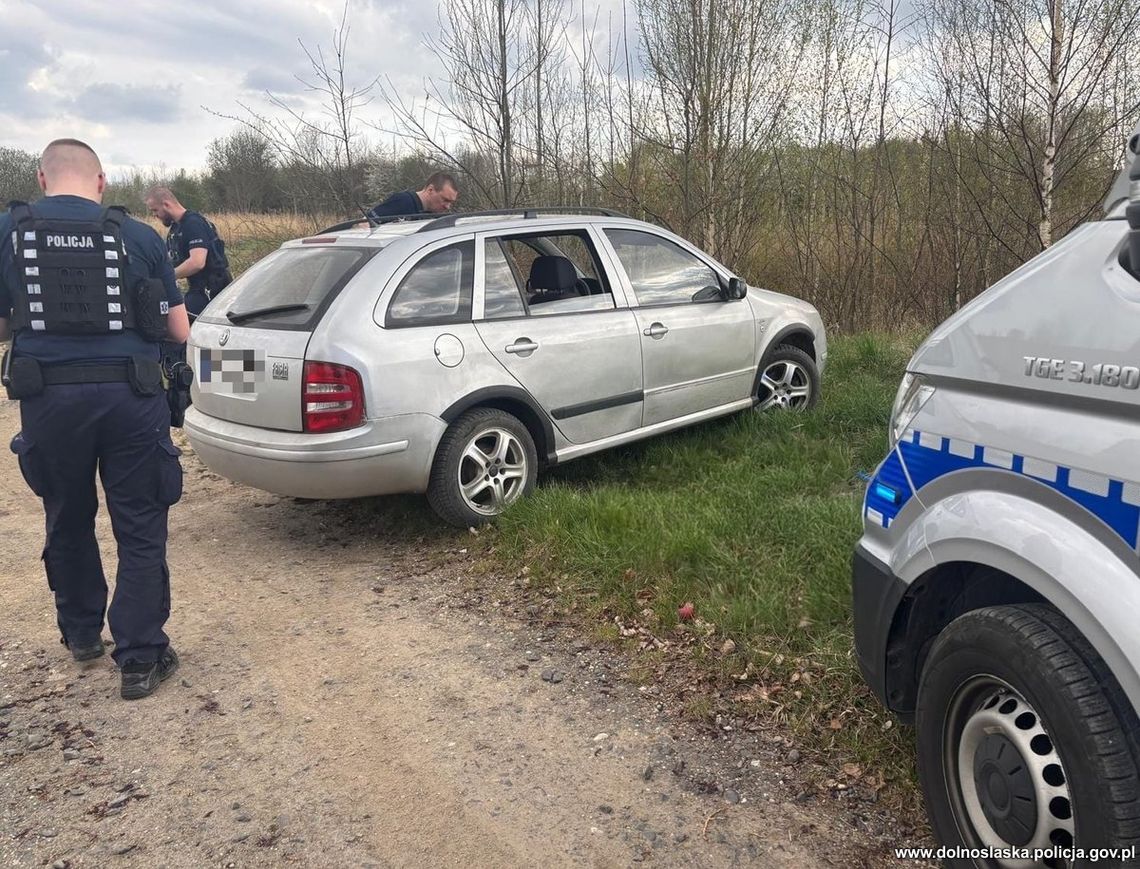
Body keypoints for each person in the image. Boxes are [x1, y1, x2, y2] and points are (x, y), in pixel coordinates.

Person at [0, 139, 190, 700]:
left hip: (49, 402)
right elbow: (178, 331)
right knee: (138, 523)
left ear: (40, 178)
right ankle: (139, 658)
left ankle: (82, 634)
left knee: (67, 515)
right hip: (130, 399)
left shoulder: (8, 232)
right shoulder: (139, 236)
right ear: (101, 182)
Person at [144, 187, 231, 318]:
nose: (154, 215)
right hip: (197, 290)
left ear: (166, 204)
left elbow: (197, 262)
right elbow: (170, 260)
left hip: (213, 292)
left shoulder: (193, 223)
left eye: (155, 210)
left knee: (179, 322)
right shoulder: (175, 230)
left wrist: (168, 276)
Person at [366, 172, 459, 221]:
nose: (448, 206)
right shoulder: (402, 201)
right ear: (430, 190)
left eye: (451, 202)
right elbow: (364, 225)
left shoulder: (432, 217)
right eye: (445, 200)